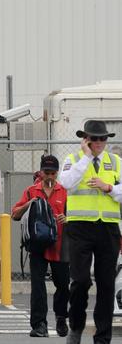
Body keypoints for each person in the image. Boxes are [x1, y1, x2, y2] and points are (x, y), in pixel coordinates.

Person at [58, 120, 122, 344]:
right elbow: (66, 183)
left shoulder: (115, 162)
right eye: (94, 139)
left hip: (108, 228)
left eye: (103, 138)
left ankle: (102, 337)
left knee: (106, 283)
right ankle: (76, 326)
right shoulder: (73, 159)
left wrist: (110, 188)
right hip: (80, 227)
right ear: (85, 139)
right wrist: (86, 158)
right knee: (81, 280)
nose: (99, 143)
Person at [12, 155, 69, 338]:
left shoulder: (65, 191)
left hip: (60, 245)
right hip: (38, 246)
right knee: (38, 285)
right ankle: (39, 324)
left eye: (53, 173)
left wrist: (67, 218)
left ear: (57, 173)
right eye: (47, 173)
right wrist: (29, 204)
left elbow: (77, 216)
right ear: (41, 172)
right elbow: (14, 214)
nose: (50, 177)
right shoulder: (31, 191)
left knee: (63, 284)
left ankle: (61, 317)